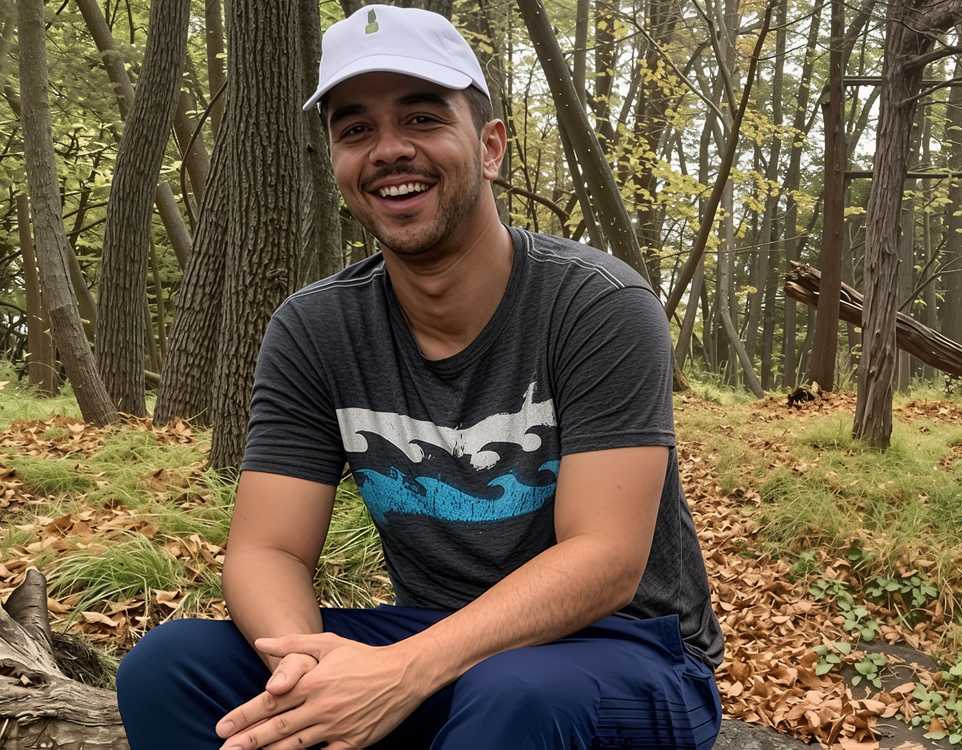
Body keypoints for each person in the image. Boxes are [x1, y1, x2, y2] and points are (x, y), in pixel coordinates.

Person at [115, 5, 724, 748]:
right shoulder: (316, 329)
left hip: (625, 651)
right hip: (432, 639)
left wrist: (405, 673)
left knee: (514, 696)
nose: (388, 151)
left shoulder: (597, 305)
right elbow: (265, 549)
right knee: (170, 665)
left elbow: (605, 562)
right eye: (356, 129)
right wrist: (306, 677)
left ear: (491, 146)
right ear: (337, 162)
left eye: (423, 119)